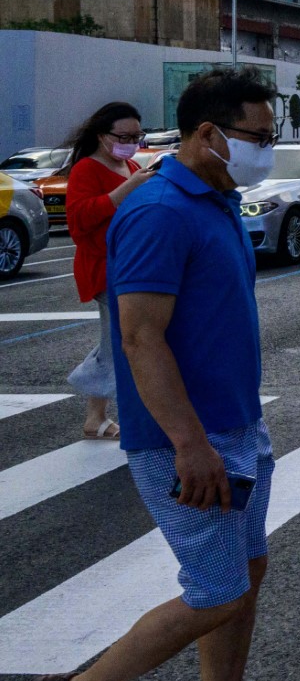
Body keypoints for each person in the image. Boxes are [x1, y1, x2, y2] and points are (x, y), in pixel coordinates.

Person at [26, 67, 279, 681]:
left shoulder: (215, 198)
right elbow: (139, 337)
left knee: (242, 577)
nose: (268, 149)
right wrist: (190, 445)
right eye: (259, 135)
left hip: (238, 424)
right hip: (188, 437)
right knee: (218, 592)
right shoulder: (159, 210)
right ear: (208, 132)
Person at [60, 101, 156, 441]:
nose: (132, 142)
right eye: (124, 135)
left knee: (117, 340)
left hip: (131, 265)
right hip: (104, 269)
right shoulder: (88, 169)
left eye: (137, 135)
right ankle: (115, 414)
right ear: (102, 136)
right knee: (123, 340)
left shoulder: (130, 165)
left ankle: (96, 417)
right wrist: (128, 189)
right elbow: (79, 220)